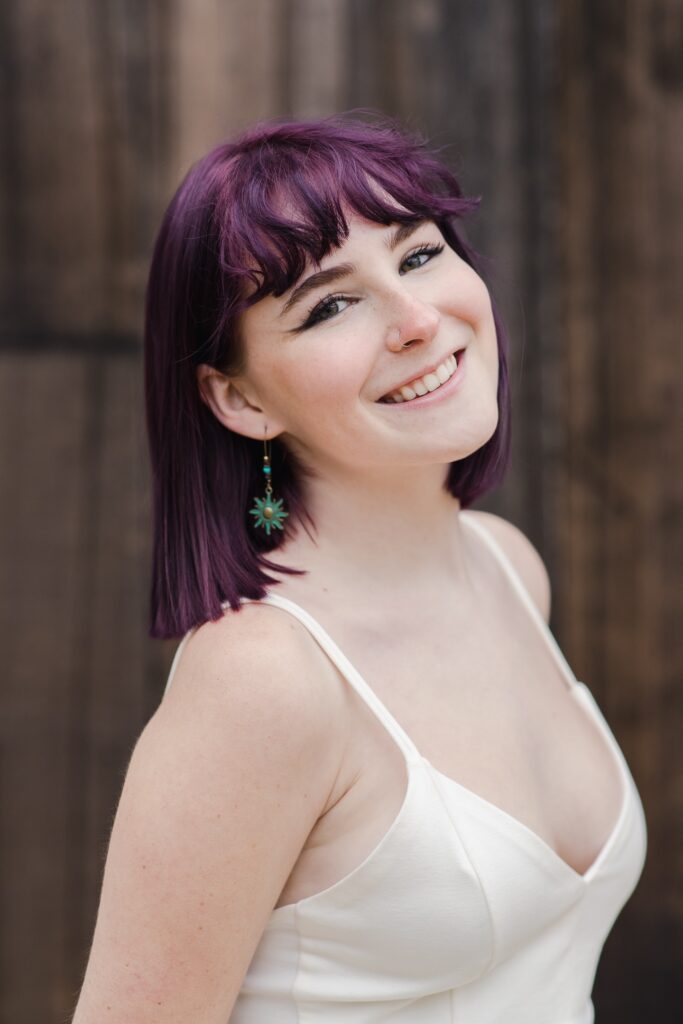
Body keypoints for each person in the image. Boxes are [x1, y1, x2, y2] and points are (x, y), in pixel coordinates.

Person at [72, 112, 647, 1023]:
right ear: (240, 397)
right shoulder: (263, 681)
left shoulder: (505, 567)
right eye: (331, 305)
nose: (418, 320)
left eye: (418, 255)